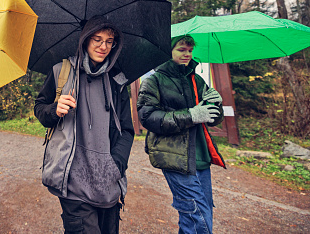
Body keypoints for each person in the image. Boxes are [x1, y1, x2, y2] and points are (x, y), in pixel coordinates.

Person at [34, 15, 135, 234]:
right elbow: (40, 109)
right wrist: (54, 109)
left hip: (107, 182)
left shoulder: (117, 80)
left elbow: (127, 130)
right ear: (85, 40)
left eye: (109, 41)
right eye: (97, 39)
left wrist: (116, 165)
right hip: (72, 182)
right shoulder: (60, 72)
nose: (103, 46)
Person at [137, 35, 226, 234]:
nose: (187, 54)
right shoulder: (154, 81)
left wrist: (216, 105)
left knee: (201, 211)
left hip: (200, 155)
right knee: (197, 214)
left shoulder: (197, 79)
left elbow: (213, 119)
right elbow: (148, 117)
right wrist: (191, 115)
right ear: (168, 51)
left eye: (190, 50)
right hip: (174, 156)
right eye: (181, 49)